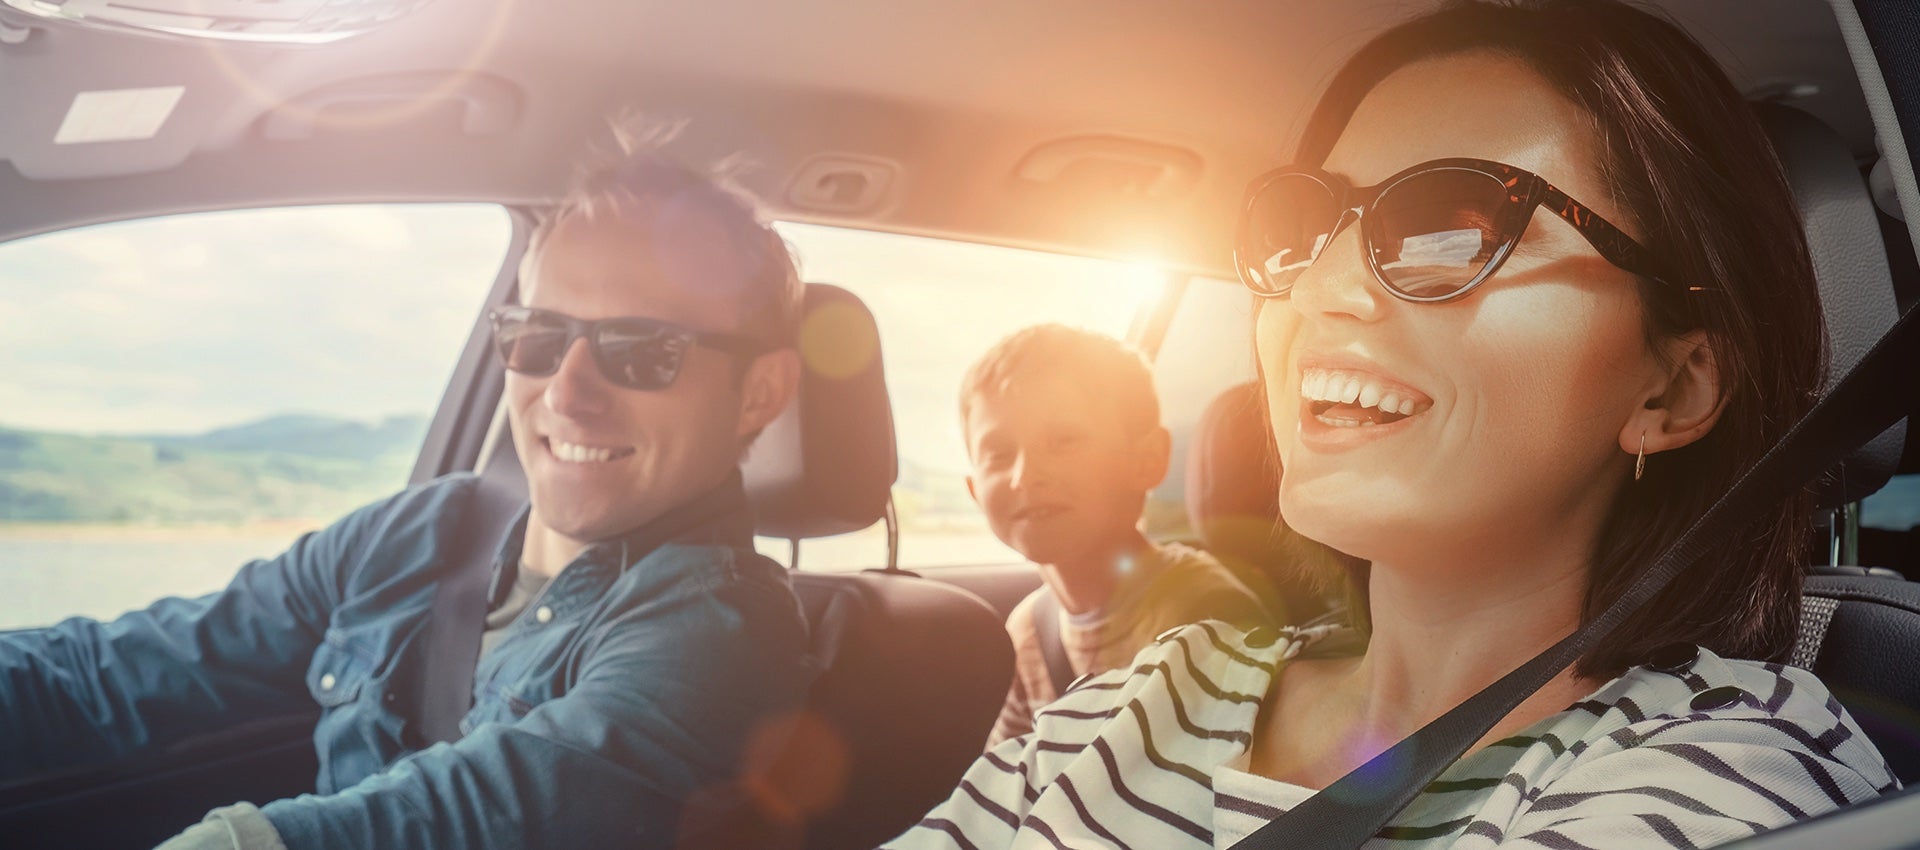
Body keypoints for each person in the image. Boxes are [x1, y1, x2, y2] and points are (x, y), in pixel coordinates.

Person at [886, 1, 1900, 847]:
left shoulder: (1725, 765)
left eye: (1455, 224)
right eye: (1304, 227)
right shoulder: (1158, 689)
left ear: (1671, 390)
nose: (1316, 291)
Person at [0, 126, 816, 849]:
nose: (566, 393)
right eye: (539, 337)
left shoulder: (724, 633)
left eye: (641, 350)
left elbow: (461, 818)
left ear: (759, 395)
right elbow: (122, 672)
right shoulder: (423, 531)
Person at [959, 325, 1270, 748]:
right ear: (975, 490)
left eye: (1062, 441)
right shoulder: (1028, 629)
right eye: (997, 453)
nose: (1024, 476)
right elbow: (1004, 782)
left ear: (1147, 460)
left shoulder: (1209, 616)